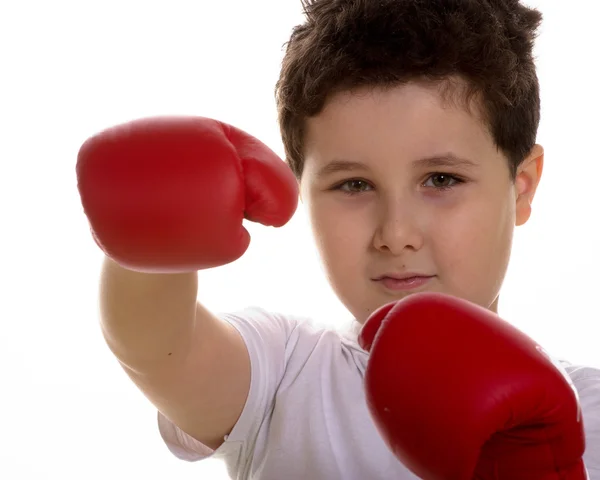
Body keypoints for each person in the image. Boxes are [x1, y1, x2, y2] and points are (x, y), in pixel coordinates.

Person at [76, 0, 600, 478]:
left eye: (442, 180)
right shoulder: (281, 372)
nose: (396, 234)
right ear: (299, 191)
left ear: (522, 185)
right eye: (354, 184)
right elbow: (156, 346)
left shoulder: (591, 409)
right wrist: (153, 237)